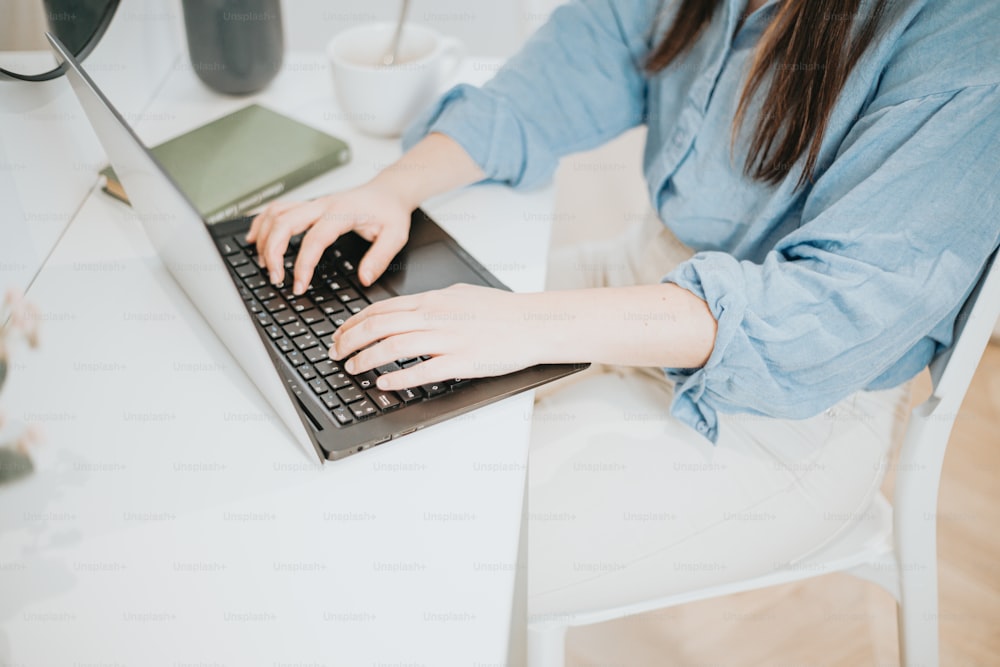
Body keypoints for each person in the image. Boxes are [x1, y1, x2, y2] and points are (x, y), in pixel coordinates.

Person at [249, 0, 999, 630]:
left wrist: (525, 325)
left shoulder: (968, 35)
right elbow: (573, 65)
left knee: (428, 563)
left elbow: (831, 316)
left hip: (789, 413)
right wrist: (394, 187)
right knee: (347, 390)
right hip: (648, 277)